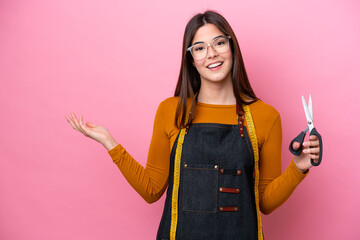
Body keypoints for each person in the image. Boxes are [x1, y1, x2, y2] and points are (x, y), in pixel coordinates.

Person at [65, 10, 321, 240]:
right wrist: (110, 143)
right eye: (199, 48)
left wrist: (298, 168)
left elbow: (264, 202)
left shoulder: (266, 116)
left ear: (232, 48)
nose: (211, 54)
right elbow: (152, 190)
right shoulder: (171, 111)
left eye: (219, 43)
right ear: (191, 59)